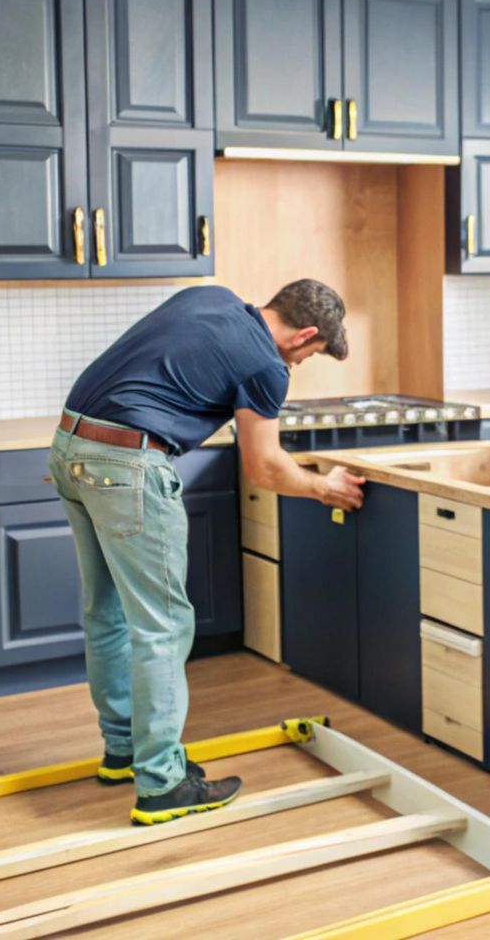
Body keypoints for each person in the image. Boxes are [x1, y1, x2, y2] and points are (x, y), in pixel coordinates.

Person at [47, 281, 365, 825]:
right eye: (310, 355)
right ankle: (163, 783)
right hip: (128, 465)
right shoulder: (267, 365)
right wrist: (321, 486)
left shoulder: (209, 298)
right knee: (163, 626)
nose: (302, 364)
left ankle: (124, 750)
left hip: (71, 445)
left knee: (109, 614)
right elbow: (263, 467)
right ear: (305, 333)